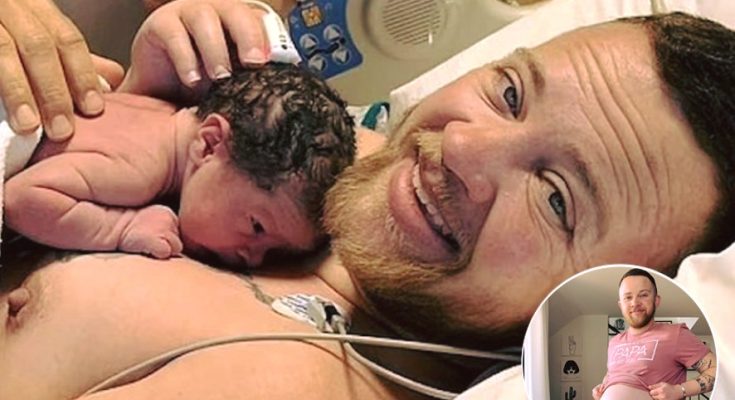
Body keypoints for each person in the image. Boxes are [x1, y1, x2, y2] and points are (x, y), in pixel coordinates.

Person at [2, 1, 735, 398]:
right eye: (509, 93)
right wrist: (141, 99)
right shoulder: (345, 152)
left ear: (596, 314)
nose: (462, 147)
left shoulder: (281, 380)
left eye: (555, 199)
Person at [4, 62, 356, 266]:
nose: (253, 259)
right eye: (257, 227)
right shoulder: (140, 169)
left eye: (275, 254)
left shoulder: (156, 109)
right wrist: (121, 228)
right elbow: (22, 199)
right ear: (210, 144)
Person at [591, 269, 716, 400]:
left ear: (656, 300)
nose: (635, 303)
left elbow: (715, 370)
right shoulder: (614, 342)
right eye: (628, 297)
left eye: (643, 295)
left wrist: (679, 390)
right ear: (621, 305)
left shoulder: (676, 334)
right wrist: (603, 388)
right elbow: (612, 375)